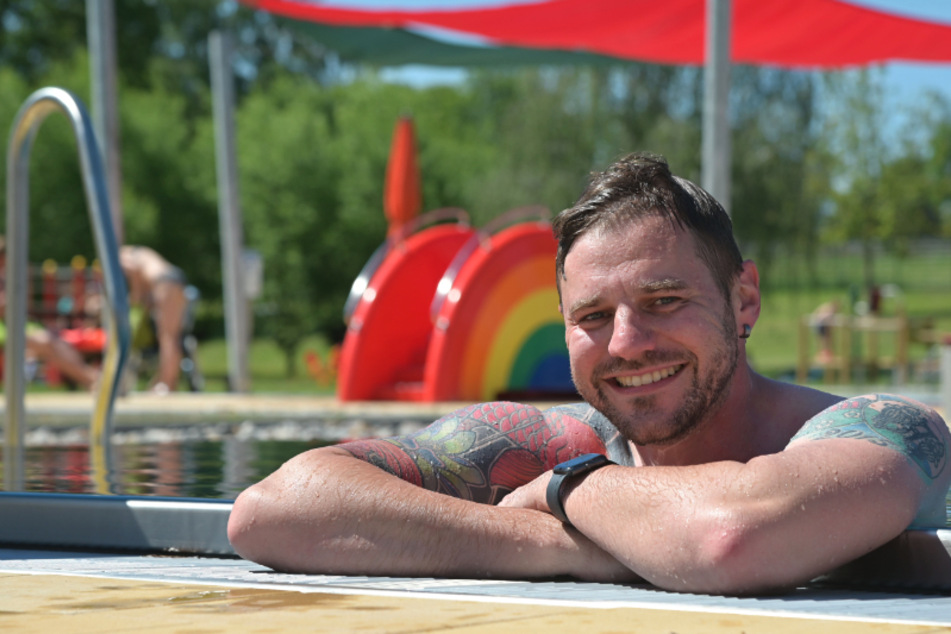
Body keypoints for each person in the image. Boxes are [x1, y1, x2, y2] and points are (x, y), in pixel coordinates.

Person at [227, 153, 950, 595]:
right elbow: (272, 510)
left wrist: (566, 489)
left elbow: (731, 537)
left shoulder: (879, 427)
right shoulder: (548, 433)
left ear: (744, 299)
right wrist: (561, 548)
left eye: (664, 301)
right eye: (593, 317)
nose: (627, 344)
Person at [0, 237, 99, 390]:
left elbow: (20, 306)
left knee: (57, 340)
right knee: (46, 341)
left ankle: (91, 378)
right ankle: (91, 379)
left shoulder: (7, 277)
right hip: (7, 327)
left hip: (13, 324)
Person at [119, 245, 189, 394]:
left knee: (168, 337)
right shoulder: (137, 252)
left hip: (165, 281)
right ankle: (166, 382)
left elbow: (136, 288)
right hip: (170, 280)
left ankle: (167, 384)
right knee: (170, 336)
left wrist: (132, 299)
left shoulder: (121, 256)